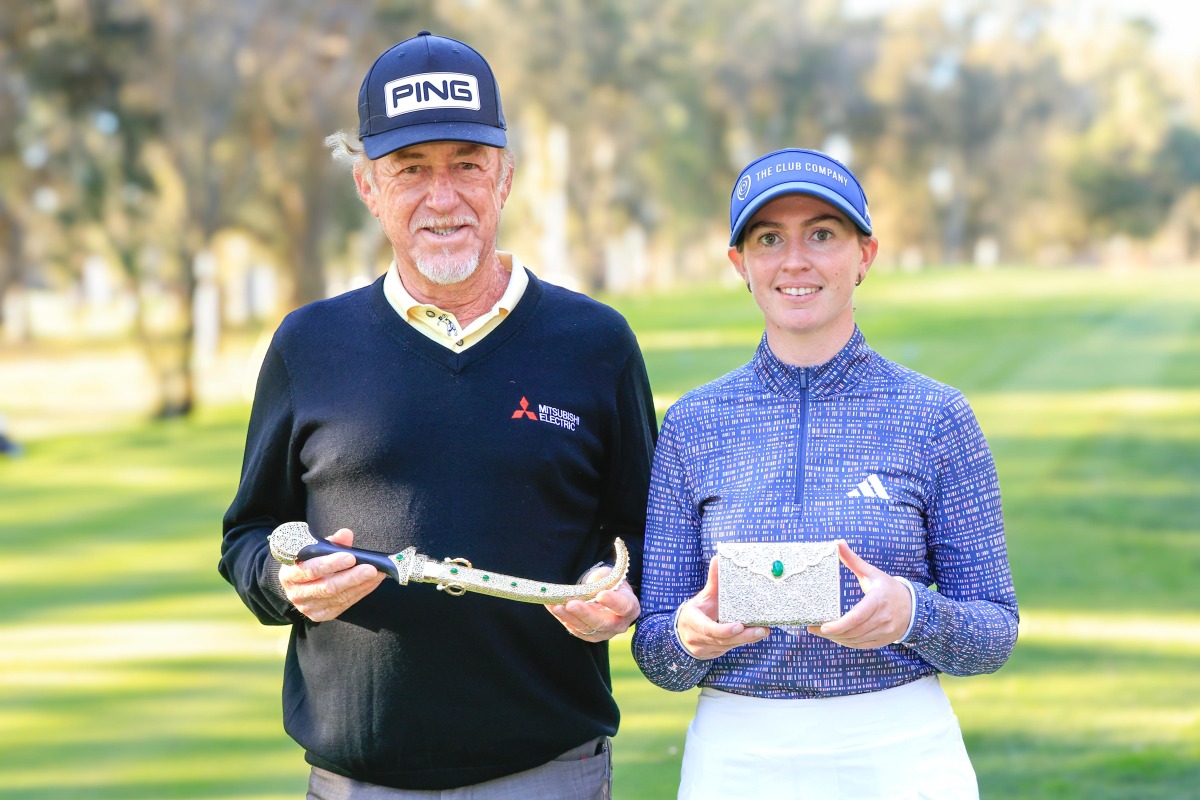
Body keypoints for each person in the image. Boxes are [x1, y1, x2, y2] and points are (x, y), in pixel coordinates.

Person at [220, 31, 657, 799]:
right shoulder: (307, 345)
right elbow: (248, 537)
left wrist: (617, 594)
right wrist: (286, 583)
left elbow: (647, 540)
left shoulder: (597, 344)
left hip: (548, 773)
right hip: (357, 784)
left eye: (467, 165)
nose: (442, 197)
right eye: (411, 170)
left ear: (506, 178)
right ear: (368, 187)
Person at [630, 148, 1019, 799]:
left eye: (822, 234)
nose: (795, 261)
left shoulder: (936, 416)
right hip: (736, 757)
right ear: (740, 264)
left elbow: (995, 631)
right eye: (768, 238)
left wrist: (912, 615)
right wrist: (685, 636)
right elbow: (655, 652)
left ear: (864, 254)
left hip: (900, 750)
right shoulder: (693, 424)